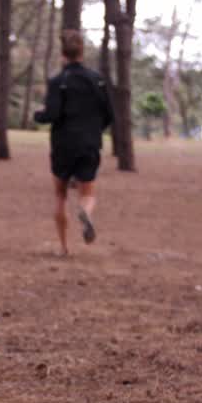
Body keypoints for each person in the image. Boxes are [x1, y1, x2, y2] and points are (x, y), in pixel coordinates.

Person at [34, 30, 115, 257]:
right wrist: (93, 130)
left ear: (63, 53)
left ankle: (63, 247)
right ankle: (86, 212)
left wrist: (37, 115)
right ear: (82, 52)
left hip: (63, 144)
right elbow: (109, 114)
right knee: (88, 193)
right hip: (89, 142)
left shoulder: (58, 81)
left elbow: (51, 114)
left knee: (60, 195)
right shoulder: (97, 80)